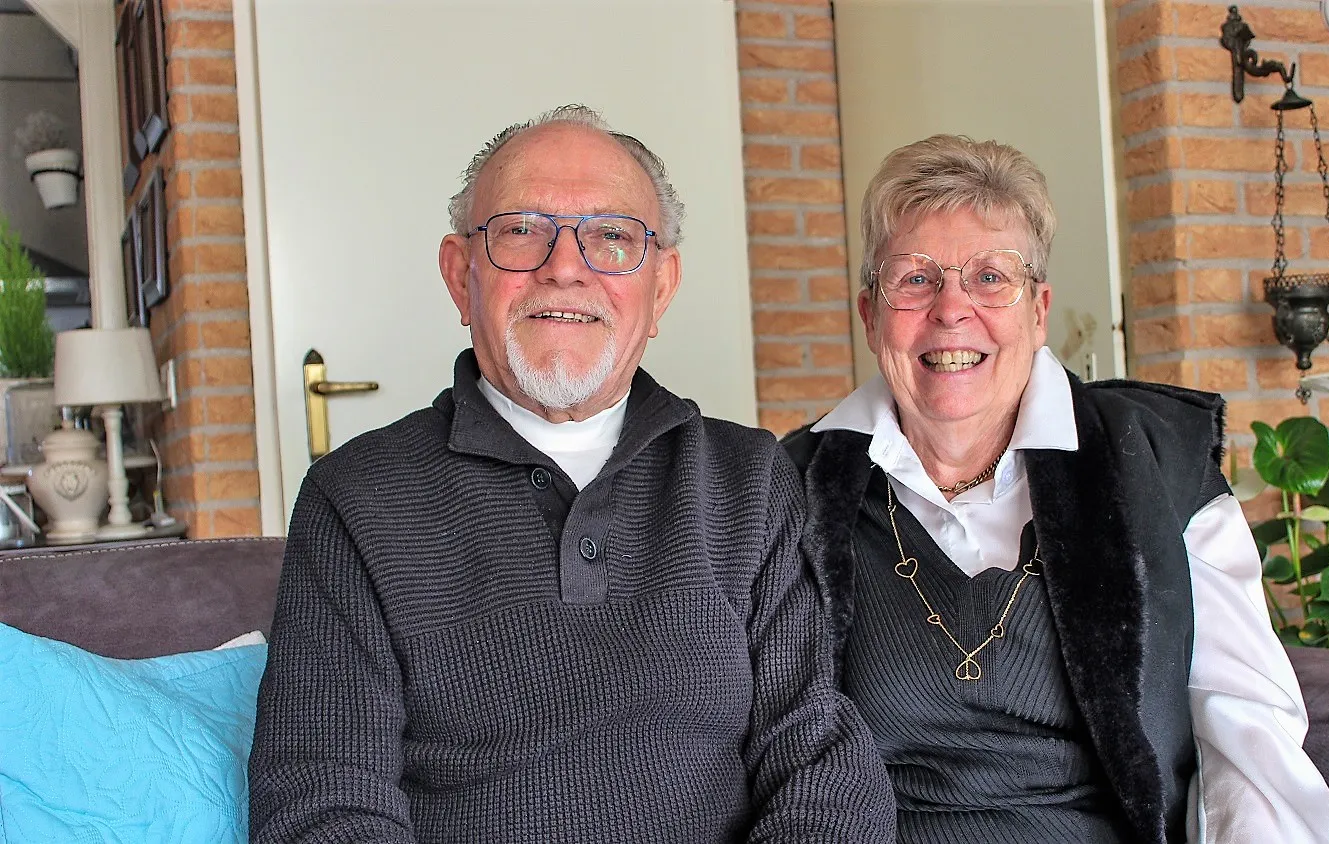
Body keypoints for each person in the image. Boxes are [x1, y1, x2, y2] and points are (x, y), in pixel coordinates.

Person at [248, 104, 896, 842]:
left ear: (662, 287)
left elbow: (819, 760)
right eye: (521, 231)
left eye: (611, 238)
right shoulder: (354, 498)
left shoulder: (749, 480)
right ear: (461, 277)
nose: (564, 268)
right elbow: (322, 804)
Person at [782, 134, 1329, 843]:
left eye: (990, 277)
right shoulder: (797, 486)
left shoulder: (1156, 462)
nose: (951, 309)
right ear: (869, 314)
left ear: (1039, 310)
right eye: (914, 279)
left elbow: (1243, 725)